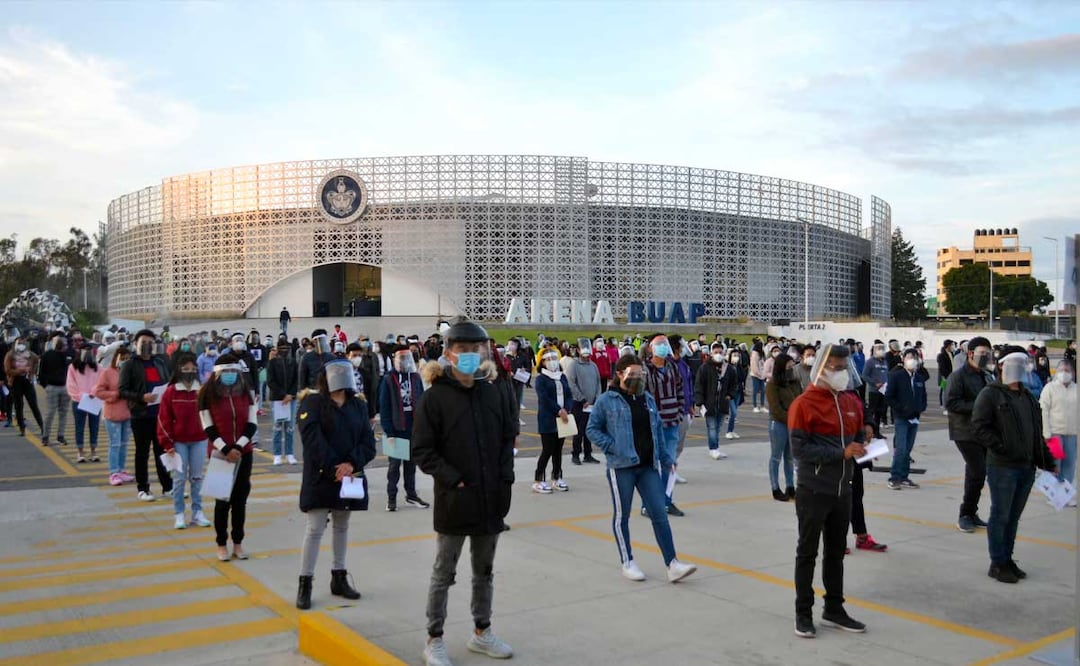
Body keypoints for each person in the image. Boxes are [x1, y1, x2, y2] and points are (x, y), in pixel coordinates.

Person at [412, 320, 516, 666]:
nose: (471, 355)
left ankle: (482, 632)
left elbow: (506, 437)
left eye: (476, 349)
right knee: (444, 572)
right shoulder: (436, 397)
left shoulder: (493, 390)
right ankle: (434, 638)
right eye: (463, 349)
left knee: (484, 571)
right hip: (455, 500)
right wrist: (452, 478)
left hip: (490, 499)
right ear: (448, 353)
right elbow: (423, 451)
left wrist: (505, 478)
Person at [586, 354, 698, 584]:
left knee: (659, 514)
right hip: (622, 467)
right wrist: (612, 447)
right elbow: (592, 429)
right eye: (633, 374)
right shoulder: (607, 400)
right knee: (622, 516)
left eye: (641, 374)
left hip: (648, 467)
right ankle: (627, 561)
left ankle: (672, 563)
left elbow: (656, 430)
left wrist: (667, 458)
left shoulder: (646, 399)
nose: (638, 378)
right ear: (620, 374)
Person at [789, 344, 870, 638]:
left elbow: (858, 432)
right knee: (807, 552)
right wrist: (841, 452)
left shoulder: (850, 401)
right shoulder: (804, 404)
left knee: (836, 553)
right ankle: (803, 613)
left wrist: (864, 439)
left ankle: (834, 609)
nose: (841, 373)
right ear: (821, 368)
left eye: (843, 367)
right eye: (835, 367)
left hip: (843, 489)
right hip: (813, 489)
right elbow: (800, 448)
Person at [295, 359, 376, 609]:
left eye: (345, 372)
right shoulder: (312, 403)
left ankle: (338, 576)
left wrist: (351, 464)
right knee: (315, 528)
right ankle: (305, 582)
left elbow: (368, 442)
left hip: (349, 474)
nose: (341, 377)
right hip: (321, 475)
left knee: (342, 525)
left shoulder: (358, 405)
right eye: (336, 372)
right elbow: (313, 441)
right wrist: (334, 468)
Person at [972, 349, 1057, 583]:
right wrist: (1001, 446)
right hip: (1003, 467)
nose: (1020, 367)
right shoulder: (990, 394)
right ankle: (997, 562)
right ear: (1001, 366)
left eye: (1023, 362)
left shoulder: (1028, 397)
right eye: (1014, 363)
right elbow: (979, 427)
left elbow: (1036, 434)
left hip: (1026, 467)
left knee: (1013, 517)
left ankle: (1007, 559)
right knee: (1000, 515)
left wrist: (1047, 461)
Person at [200, 356, 258, 561]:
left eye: (233, 372)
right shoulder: (207, 395)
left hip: (244, 453)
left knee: (240, 501)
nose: (229, 376)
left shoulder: (246, 394)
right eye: (225, 373)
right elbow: (208, 427)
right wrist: (226, 449)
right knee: (222, 502)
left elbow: (252, 424)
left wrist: (238, 447)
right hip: (220, 454)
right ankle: (221, 543)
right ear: (217, 374)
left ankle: (238, 543)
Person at [944, 336, 994, 533]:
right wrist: (980, 407)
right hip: (964, 431)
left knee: (977, 474)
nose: (985, 357)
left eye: (988, 354)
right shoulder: (958, 376)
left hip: (983, 432)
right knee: (978, 471)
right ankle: (965, 514)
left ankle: (971, 512)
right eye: (982, 354)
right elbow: (951, 402)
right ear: (970, 354)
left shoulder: (986, 376)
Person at [157, 353, 211, 530]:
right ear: (179, 371)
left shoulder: (201, 390)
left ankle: (197, 512)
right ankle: (179, 513)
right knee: (179, 479)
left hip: (199, 440)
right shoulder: (171, 392)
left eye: (193, 369)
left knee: (196, 477)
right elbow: (163, 419)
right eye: (185, 369)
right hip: (178, 442)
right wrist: (167, 444)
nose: (190, 372)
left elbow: (209, 415)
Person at [119, 330, 173, 501]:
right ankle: (143, 489)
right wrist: (142, 397)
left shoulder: (159, 362)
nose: (147, 346)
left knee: (162, 452)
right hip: (140, 415)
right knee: (142, 453)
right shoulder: (129, 365)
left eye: (150, 342)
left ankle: (167, 487)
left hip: (159, 415)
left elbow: (167, 381)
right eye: (143, 342)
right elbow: (122, 391)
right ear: (136, 344)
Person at [378, 348, 430, 511]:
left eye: (407, 359)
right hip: (396, 428)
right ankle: (391, 497)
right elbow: (384, 406)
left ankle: (411, 494)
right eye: (401, 359)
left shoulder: (415, 377)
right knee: (394, 467)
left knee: (411, 465)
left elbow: (421, 401)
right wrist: (389, 432)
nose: (404, 362)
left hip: (412, 428)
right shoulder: (389, 379)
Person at [642, 334, 685, 516]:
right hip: (653, 424)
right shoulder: (645, 369)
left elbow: (680, 389)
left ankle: (667, 500)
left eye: (664, 344)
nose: (662, 348)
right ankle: (648, 504)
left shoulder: (672, 367)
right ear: (651, 348)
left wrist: (681, 409)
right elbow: (642, 395)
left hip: (672, 421)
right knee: (652, 465)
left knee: (670, 463)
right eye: (658, 345)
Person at [885, 349, 927, 490]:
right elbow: (889, 396)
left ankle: (904, 476)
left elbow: (923, 396)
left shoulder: (919, 378)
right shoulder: (896, 376)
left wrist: (920, 408)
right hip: (901, 418)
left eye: (914, 357)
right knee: (901, 448)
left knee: (908, 449)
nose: (912, 360)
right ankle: (894, 477)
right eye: (909, 357)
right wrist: (902, 409)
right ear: (903, 359)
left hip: (914, 418)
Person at [533, 349, 574, 493]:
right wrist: (558, 410)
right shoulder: (541, 379)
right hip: (548, 419)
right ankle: (538, 479)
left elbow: (569, 394)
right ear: (542, 362)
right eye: (548, 358)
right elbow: (544, 399)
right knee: (548, 449)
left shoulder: (561, 377)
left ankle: (557, 477)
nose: (552, 361)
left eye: (554, 358)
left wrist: (567, 409)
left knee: (558, 450)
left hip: (563, 418)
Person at [94, 344, 134, 486]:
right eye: (123, 358)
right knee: (115, 444)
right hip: (112, 414)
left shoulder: (131, 372)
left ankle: (122, 470)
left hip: (127, 413)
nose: (125, 361)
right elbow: (98, 391)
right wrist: (115, 394)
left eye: (128, 358)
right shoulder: (107, 372)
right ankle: (114, 472)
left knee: (124, 444)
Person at [694, 342, 738, 460]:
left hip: (723, 403)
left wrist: (730, 395)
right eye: (716, 352)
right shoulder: (704, 368)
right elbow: (699, 385)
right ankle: (713, 449)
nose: (718, 354)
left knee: (718, 427)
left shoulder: (728, 369)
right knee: (712, 427)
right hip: (709, 404)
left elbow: (734, 384)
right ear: (711, 353)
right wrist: (700, 402)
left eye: (720, 352)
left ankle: (716, 447)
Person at [1040, 360, 1077, 500]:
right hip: (1054, 434)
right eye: (1062, 370)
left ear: (1073, 373)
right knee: (1055, 465)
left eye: (1068, 371)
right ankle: (1052, 495)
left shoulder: (1076, 388)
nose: (1065, 373)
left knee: (1069, 466)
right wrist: (1046, 432)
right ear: (1057, 372)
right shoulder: (1050, 388)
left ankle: (1063, 496)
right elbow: (1043, 410)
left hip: (1072, 433)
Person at [765, 354, 799, 501]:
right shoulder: (772, 385)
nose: (791, 368)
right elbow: (776, 409)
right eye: (789, 366)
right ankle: (775, 488)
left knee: (790, 457)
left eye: (793, 365)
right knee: (776, 457)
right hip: (778, 424)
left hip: (792, 424)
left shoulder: (795, 383)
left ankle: (790, 486)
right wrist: (791, 419)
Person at [565, 338, 602, 466]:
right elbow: (571, 383)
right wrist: (582, 399)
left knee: (589, 429)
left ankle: (588, 454)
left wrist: (597, 398)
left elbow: (598, 382)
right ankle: (575, 454)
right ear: (578, 350)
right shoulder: (574, 365)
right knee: (578, 430)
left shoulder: (593, 365)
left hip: (592, 404)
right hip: (579, 403)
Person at [66, 343, 101, 463]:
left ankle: (93, 451)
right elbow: (71, 384)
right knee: (79, 427)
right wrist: (81, 396)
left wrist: (94, 392)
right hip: (79, 401)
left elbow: (101, 382)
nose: (87, 353)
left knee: (94, 426)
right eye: (85, 350)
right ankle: (80, 452)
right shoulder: (73, 367)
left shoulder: (98, 367)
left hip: (94, 400)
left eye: (89, 351)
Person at [266, 341, 299, 465]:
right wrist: (282, 395)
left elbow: (297, 379)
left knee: (290, 428)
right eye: (282, 348)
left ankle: (290, 453)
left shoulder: (293, 362)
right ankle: (277, 454)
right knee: (278, 427)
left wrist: (290, 394)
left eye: (287, 348)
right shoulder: (272, 363)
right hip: (278, 399)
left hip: (291, 399)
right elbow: (270, 381)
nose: (284, 350)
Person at [39, 334, 71, 446]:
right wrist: (45, 385)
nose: (64, 346)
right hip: (52, 386)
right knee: (50, 413)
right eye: (62, 343)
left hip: (65, 386)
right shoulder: (47, 355)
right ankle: (45, 436)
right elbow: (41, 372)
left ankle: (60, 435)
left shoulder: (67, 356)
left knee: (63, 412)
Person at [723, 346, 746, 439]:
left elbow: (742, 378)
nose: (736, 357)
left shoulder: (739, 367)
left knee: (734, 413)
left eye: (737, 355)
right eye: (734, 355)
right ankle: (728, 431)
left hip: (738, 392)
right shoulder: (727, 367)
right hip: (730, 393)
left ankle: (731, 430)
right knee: (733, 412)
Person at [937, 340, 955, 414]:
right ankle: (945, 407)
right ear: (948, 346)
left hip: (952, 376)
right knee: (944, 392)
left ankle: (950, 406)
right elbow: (942, 368)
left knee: (951, 392)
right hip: (945, 377)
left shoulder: (951, 354)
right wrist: (946, 376)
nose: (953, 347)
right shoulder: (941, 355)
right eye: (952, 345)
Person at [749, 340, 767, 413]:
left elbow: (763, 363)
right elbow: (754, 366)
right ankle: (755, 406)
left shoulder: (761, 354)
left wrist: (763, 374)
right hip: (755, 375)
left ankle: (762, 406)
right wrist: (758, 374)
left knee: (763, 390)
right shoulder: (754, 354)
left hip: (762, 374)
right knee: (755, 390)